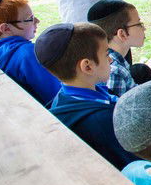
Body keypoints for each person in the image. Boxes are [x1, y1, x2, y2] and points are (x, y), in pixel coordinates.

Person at [35, 23, 137, 169]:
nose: (110, 60)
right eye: (106, 54)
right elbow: (135, 164)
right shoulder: (103, 121)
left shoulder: (62, 97)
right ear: (87, 66)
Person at [0, 0, 60, 107]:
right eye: (30, 18)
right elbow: (57, 97)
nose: (37, 21)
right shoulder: (28, 54)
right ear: (5, 28)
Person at [87, 0, 151, 97]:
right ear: (122, 34)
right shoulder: (115, 72)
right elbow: (121, 111)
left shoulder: (115, 60)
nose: (144, 28)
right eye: (139, 24)